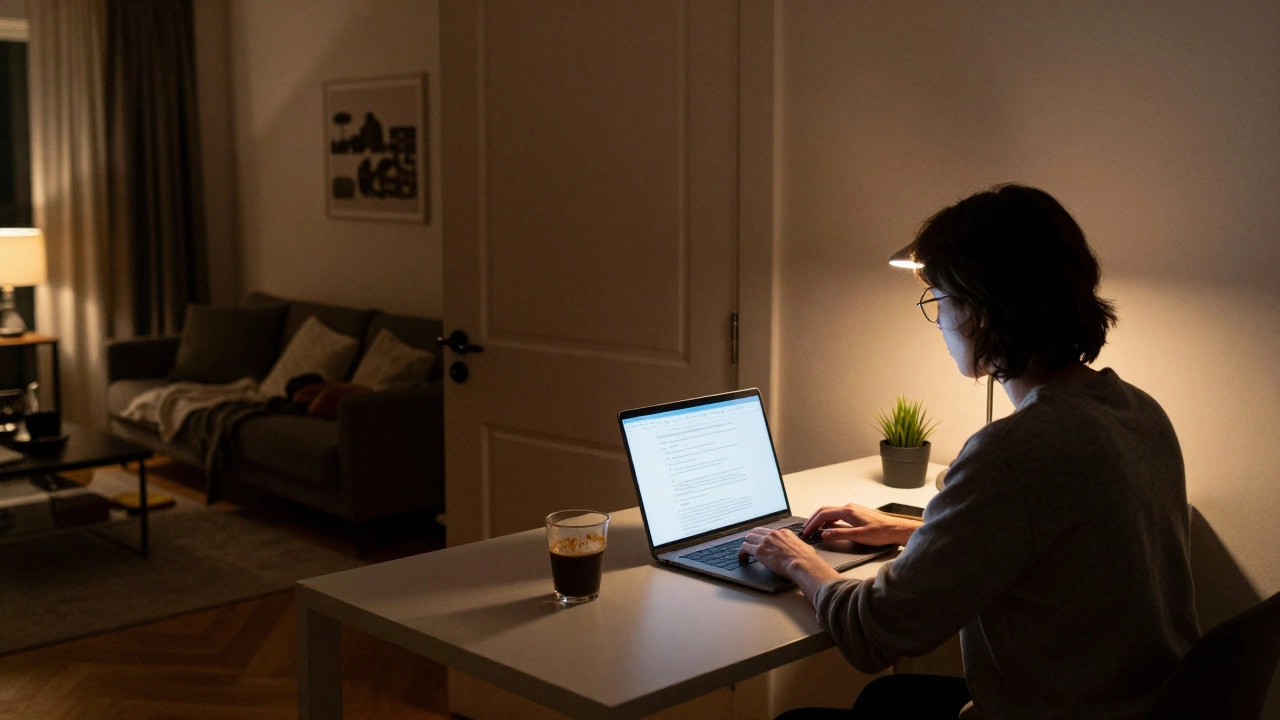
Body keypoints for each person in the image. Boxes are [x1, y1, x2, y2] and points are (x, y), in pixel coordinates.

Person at [738, 184, 1199, 719]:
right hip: (1142, 704)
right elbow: (1067, 543)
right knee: (886, 701)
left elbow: (873, 631)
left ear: (980, 310)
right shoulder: (1140, 411)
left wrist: (798, 559)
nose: (939, 321)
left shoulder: (1015, 450)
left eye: (939, 299)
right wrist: (914, 531)